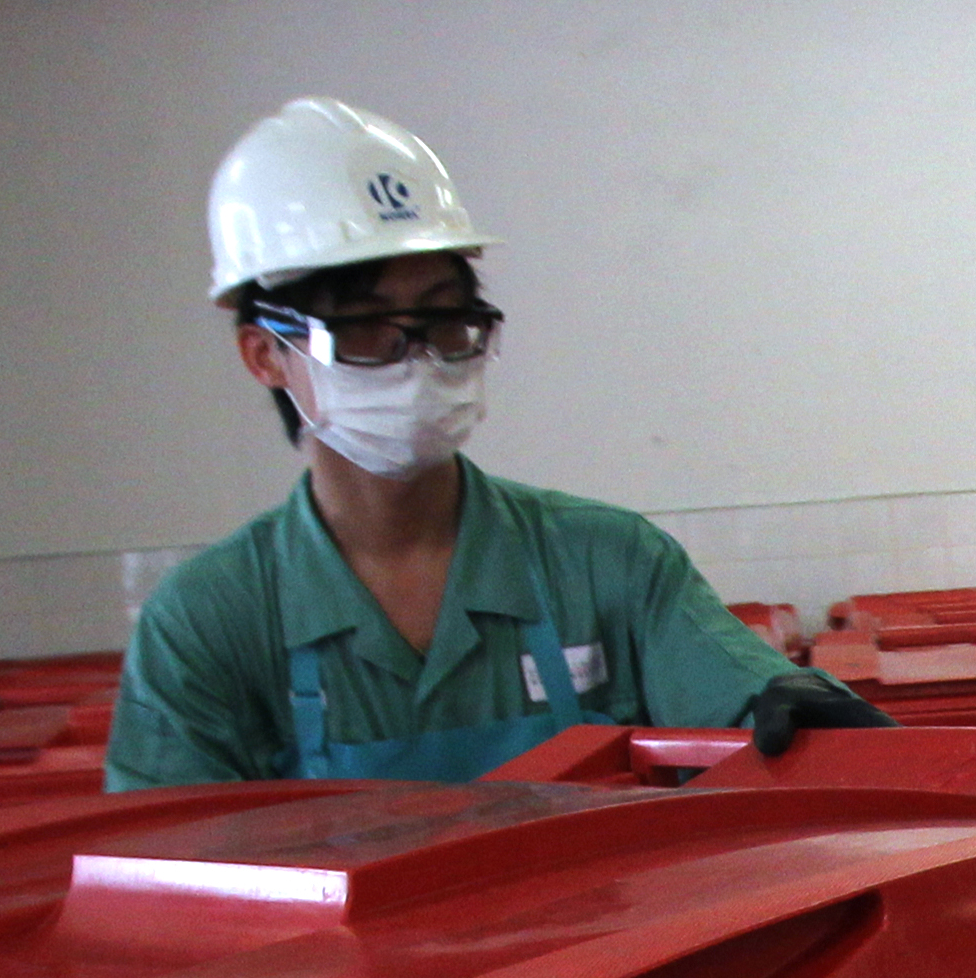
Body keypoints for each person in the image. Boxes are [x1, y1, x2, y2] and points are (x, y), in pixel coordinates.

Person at [107, 98, 884, 788]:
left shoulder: (606, 564)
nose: (419, 358)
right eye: (369, 329)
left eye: (447, 319)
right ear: (265, 354)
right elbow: (166, 891)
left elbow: (751, 701)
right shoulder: (209, 625)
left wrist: (805, 713)